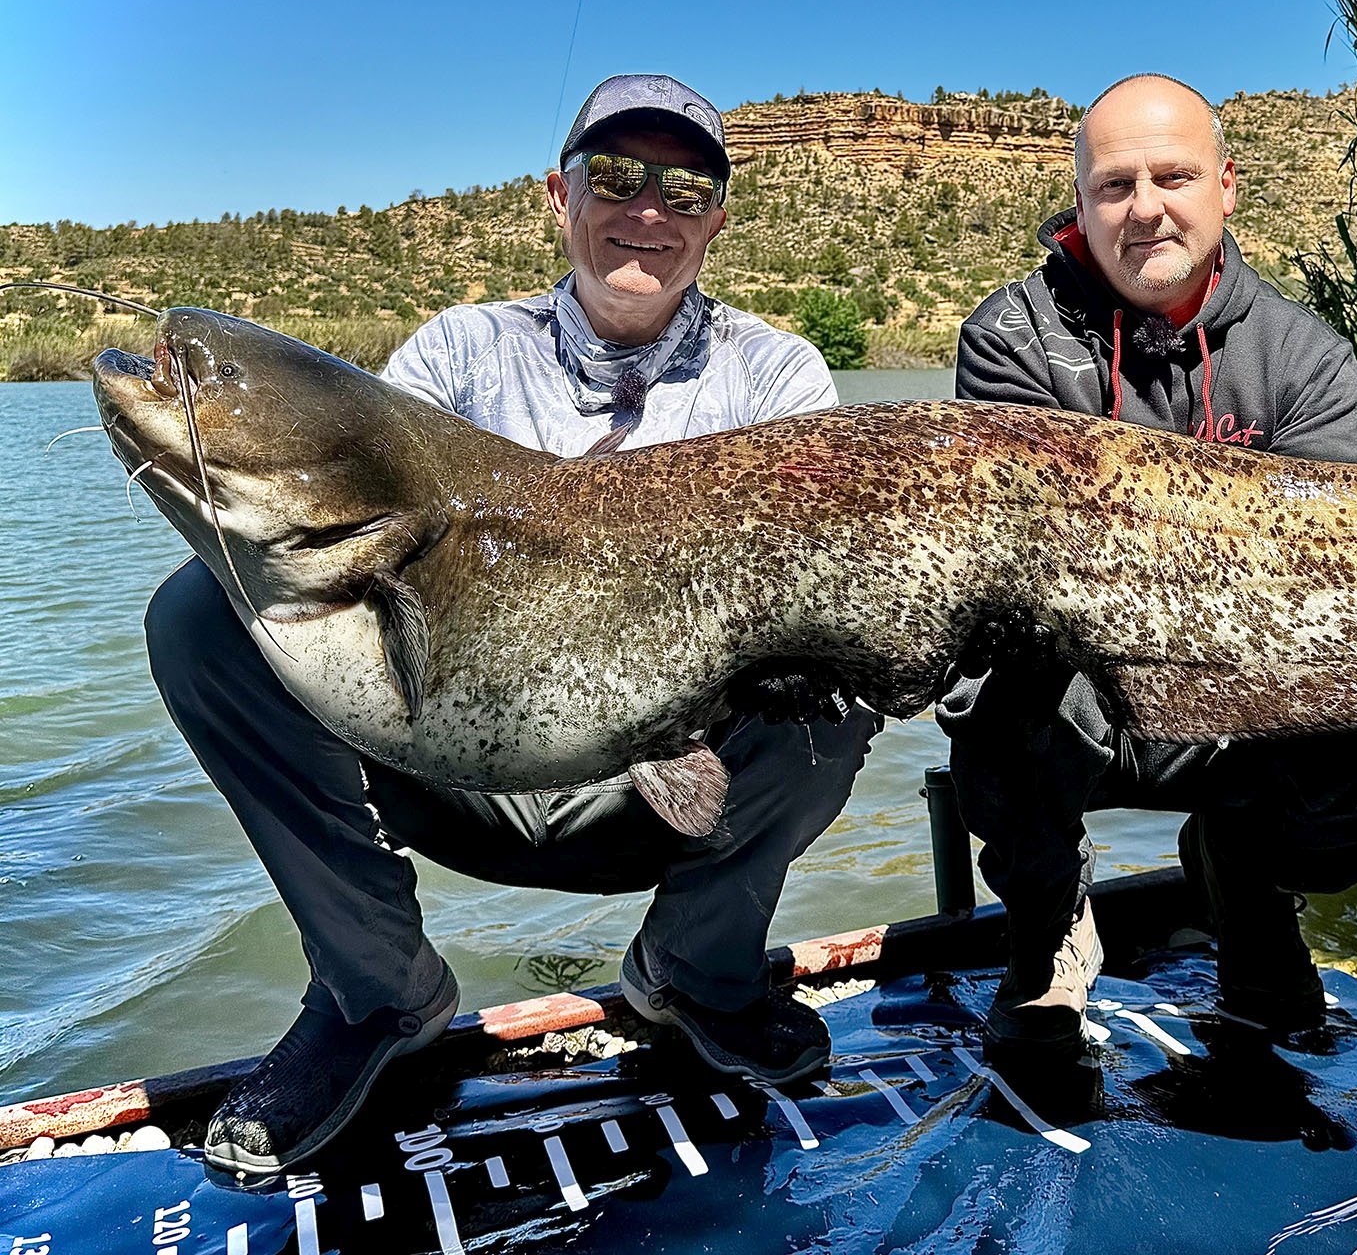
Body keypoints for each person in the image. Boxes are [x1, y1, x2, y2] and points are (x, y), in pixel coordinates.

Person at [146, 74, 879, 1177]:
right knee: (203, 615)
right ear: (559, 193)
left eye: (684, 191)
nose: (648, 213)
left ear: (717, 220)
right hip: (444, 761)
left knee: (848, 665)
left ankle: (697, 969)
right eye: (618, 178)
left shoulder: (776, 374)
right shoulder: (453, 356)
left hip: (664, 790)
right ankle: (375, 992)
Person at [939, 73, 1357, 1061]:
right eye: (1114, 185)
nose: (1144, 207)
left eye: (1172, 176)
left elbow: (1322, 585)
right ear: (1080, 202)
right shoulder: (1009, 341)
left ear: (1226, 187)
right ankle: (1049, 928)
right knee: (996, 692)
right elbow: (1032, 574)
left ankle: (1245, 879)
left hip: (1251, 688)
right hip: (1078, 688)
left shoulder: (1306, 357)